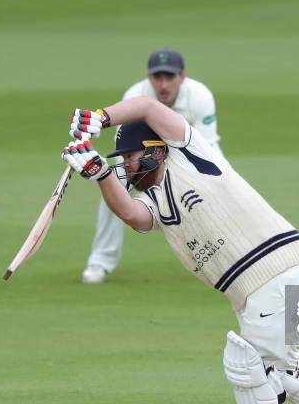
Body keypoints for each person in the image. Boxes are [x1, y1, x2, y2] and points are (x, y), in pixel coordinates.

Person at [62, 98, 299, 404]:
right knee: (280, 362)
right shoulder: (150, 198)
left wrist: (99, 118)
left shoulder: (190, 153)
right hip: (257, 282)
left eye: (128, 156)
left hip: (271, 265)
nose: (125, 166)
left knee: (251, 363)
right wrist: (99, 174)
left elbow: (148, 107)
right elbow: (132, 217)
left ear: (154, 151)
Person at [82, 48, 222, 284]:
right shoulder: (134, 96)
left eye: (170, 77)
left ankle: (219, 258)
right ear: (150, 78)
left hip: (187, 155)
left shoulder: (200, 96)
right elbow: (126, 149)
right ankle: (100, 261)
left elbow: (205, 150)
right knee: (113, 190)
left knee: (218, 187)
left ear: (182, 76)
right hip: (143, 155)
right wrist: (113, 176)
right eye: (158, 77)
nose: (163, 84)